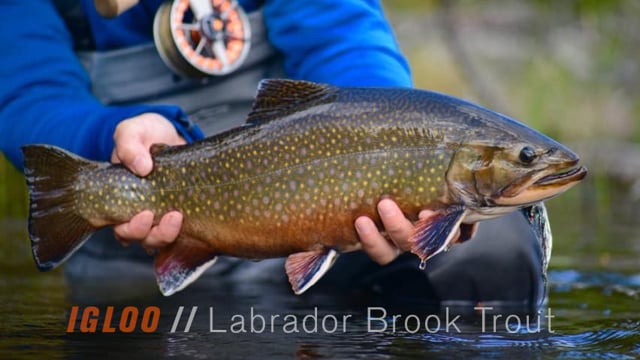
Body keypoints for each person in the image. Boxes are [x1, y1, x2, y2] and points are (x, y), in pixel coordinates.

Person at [0, 0, 544, 309]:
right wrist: (109, 135)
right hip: (145, 252)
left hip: (332, 257)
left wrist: (392, 155)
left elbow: (345, 40)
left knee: (496, 240)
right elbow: (29, 93)